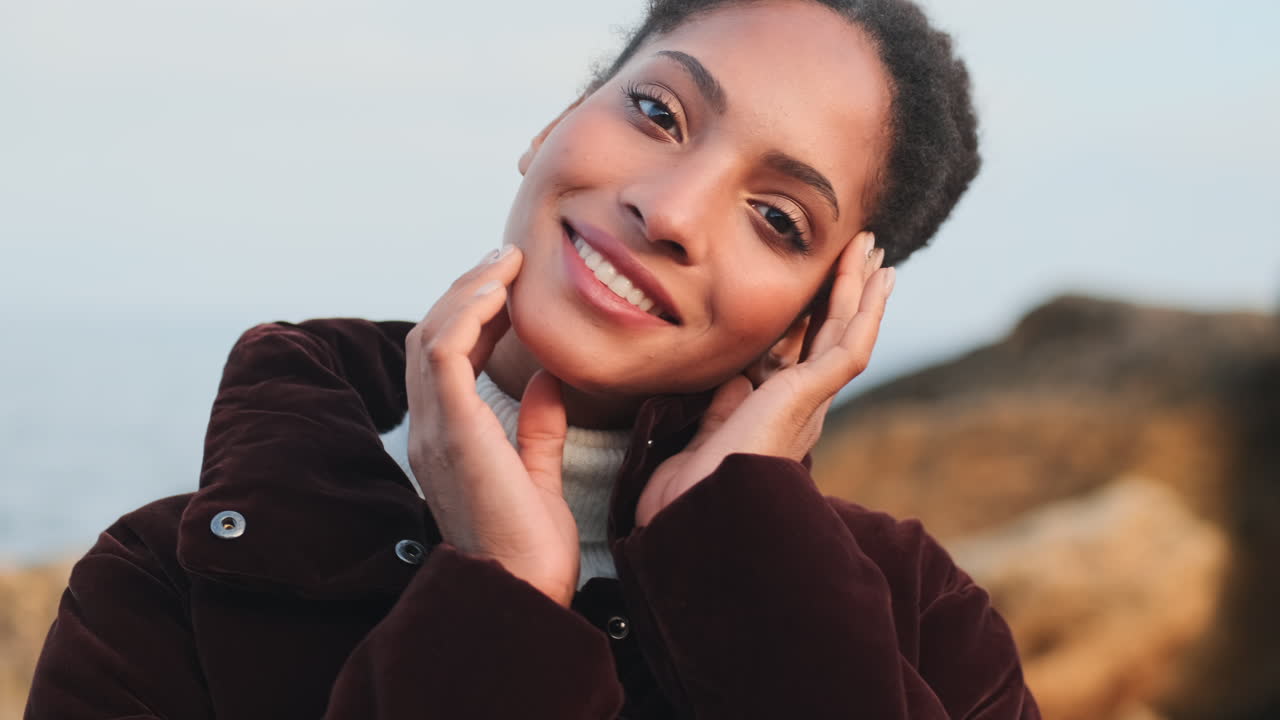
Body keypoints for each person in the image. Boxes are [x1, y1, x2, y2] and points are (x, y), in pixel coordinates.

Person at [26, 0, 1040, 717]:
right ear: (555, 122)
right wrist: (497, 599)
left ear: (810, 325)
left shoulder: (917, 616)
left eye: (775, 217)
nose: (670, 209)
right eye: (656, 114)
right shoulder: (171, 584)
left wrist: (748, 561)